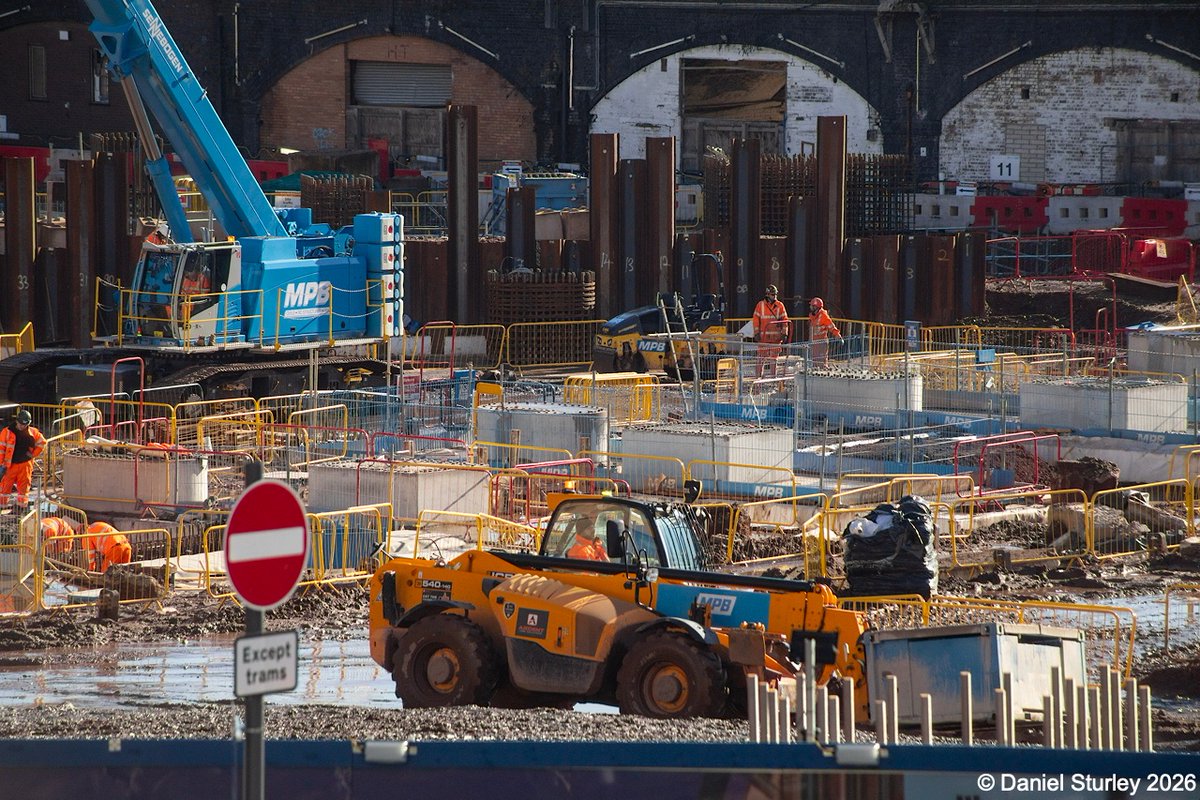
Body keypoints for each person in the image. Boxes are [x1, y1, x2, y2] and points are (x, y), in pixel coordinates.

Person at [0, 409, 47, 506]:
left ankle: (21, 508)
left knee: (24, 488)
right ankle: (2, 506)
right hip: (10, 465)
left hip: (25, 465)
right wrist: (1, 464)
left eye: (25, 425)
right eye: (21, 424)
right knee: (5, 487)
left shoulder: (33, 432)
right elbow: (1, 449)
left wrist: (33, 455)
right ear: (17, 421)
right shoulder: (7, 432)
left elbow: (42, 443)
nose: (22, 426)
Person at [752, 285, 790, 374]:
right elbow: (756, 320)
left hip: (776, 338)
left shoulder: (780, 306)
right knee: (760, 360)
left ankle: (773, 380)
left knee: (774, 361)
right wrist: (756, 333)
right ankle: (758, 381)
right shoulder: (760, 305)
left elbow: (785, 320)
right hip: (763, 338)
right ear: (767, 295)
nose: (774, 296)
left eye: (775, 294)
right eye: (773, 294)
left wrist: (785, 333)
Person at [807, 297, 842, 367]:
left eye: (812, 306)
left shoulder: (823, 315)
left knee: (822, 361)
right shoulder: (812, 316)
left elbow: (831, 326)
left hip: (821, 342)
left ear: (817, 307)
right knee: (814, 361)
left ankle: (823, 373)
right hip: (814, 342)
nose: (810, 308)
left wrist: (837, 335)